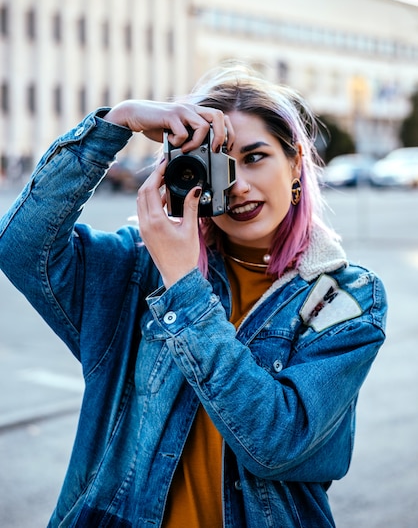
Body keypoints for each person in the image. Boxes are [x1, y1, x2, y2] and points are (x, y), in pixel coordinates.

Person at [0, 62, 387, 528]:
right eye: (219, 163)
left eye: (256, 156)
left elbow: (275, 443)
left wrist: (185, 286)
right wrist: (116, 123)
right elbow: (21, 247)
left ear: (295, 164)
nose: (238, 183)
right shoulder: (141, 269)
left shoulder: (344, 296)